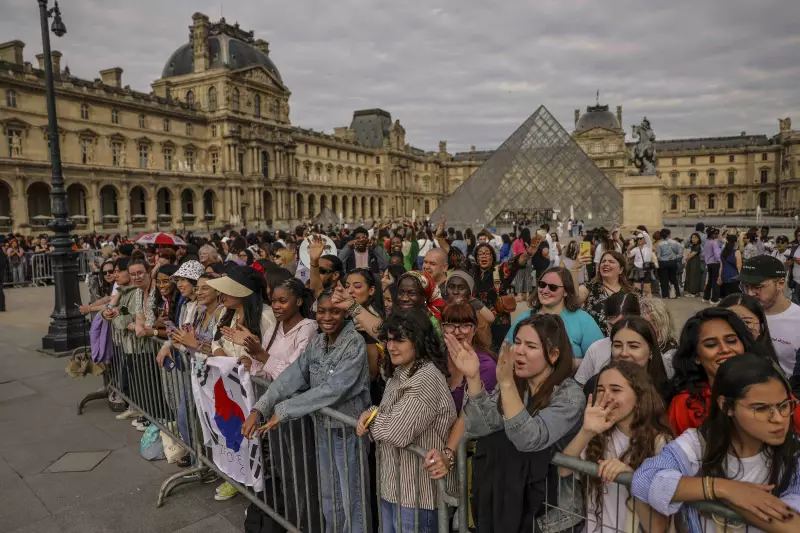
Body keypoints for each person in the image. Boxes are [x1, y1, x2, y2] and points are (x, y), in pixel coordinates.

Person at [243, 289, 371, 533]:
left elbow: (334, 389)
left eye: (335, 311)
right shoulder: (318, 342)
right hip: (323, 428)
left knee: (352, 500)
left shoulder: (354, 343)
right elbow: (292, 376)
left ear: (345, 313)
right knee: (330, 498)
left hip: (347, 433)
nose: (328, 317)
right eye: (322, 311)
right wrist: (260, 408)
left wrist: (285, 409)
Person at [633, 354, 800, 533]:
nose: (778, 419)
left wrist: (725, 499)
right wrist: (723, 489)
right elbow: (645, 479)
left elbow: (793, 525)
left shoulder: (794, 452)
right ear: (726, 406)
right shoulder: (699, 443)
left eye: (784, 405)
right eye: (760, 408)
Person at [454, 314, 585, 532]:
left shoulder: (569, 396)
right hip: (513, 506)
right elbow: (481, 427)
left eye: (531, 346)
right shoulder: (516, 383)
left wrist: (505, 383)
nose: (519, 351)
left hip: (552, 517)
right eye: (518, 342)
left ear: (553, 355)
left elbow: (529, 439)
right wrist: (474, 378)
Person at [356, 309, 456, 533]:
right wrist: (373, 412)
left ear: (418, 341)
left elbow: (397, 431)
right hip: (394, 488)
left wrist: (372, 419)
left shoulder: (426, 378)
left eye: (400, 340)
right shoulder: (402, 371)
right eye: (389, 339)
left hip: (419, 497)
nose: (391, 346)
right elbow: (388, 412)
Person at [560, 361, 672, 533]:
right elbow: (563, 470)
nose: (607, 397)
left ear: (639, 396)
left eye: (616, 390)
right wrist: (586, 431)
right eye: (601, 390)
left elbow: (657, 528)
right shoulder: (598, 434)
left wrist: (632, 479)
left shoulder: (660, 443)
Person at [667, 308, 780, 436]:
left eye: (731, 341)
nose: (725, 349)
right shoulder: (684, 405)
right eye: (711, 344)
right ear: (695, 357)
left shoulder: (773, 387)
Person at [424, 302, 497, 485]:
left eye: (465, 325)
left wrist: (448, 453)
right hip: (435, 449)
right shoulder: (436, 358)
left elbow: (468, 413)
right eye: (450, 324)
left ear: (474, 329)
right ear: (442, 328)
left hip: (470, 455)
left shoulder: (485, 366)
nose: (457, 332)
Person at [508, 266, 604, 367]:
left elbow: (599, 359)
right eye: (542, 284)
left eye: (553, 287)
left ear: (566, 292)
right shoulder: (524, 318)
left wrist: (564, 363)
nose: (545, 290)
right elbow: (505, 353)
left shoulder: (583, 320)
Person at [737, 255, 800, 378]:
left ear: (780, 284)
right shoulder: (738, 313)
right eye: (745, 287)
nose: (750, 294)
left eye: (757, 287)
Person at [575, 292, 641, 385]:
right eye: (611, 325)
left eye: (622, 325)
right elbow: (580, 385)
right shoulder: (596, 349)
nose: (615, 331)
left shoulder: (647, 347)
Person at [578, 250, 637, 333]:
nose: (606, 264)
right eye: (603, 261)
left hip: (623, 339)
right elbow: (573, 299)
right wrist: (574, 269)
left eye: (611, 261)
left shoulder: (631, 292)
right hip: (594, 340)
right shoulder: (590, 287)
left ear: (621, 269)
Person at [444, 269, 495, 350]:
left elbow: (491, 318)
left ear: (469, 292)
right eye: (451, 287)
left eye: (461, 288)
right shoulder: (442, 308)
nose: (455, 292)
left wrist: (474, 302)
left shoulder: (476, 314)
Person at [719, 293, 779, 360]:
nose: (737, 328)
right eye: (729, 321)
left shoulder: (769, 365)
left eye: (747, 322)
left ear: (761, 325)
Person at [655, 228, 682, 299]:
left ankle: (665, 295)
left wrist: (663, 259)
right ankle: (677, 294)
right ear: (669, 235)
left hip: (663, 263)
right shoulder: (675, 243)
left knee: (664, 280)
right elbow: (680, 254)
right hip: (673, 262)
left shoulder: (659, 244)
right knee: (674, 278)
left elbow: (658, 256)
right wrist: (674, 257)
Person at [628, 230, 655, 296]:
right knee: (636, 290)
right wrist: (629, 248)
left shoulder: (648, 246)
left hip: (646, 269)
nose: (639, 240)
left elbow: (647, 237)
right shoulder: (635, 249)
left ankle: (649, 305)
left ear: (644, 239)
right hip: (637, 269)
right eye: (638, 239)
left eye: (640, 238)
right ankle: (637, 305)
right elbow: (629, 255)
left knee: (647, 290)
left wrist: (640, 231)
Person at [702, 228, 723, 304]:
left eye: (717, 233)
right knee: (716, 281)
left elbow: (704, 253)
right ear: (711, 234)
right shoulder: (714, 243)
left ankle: (706, 297)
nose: (717, 235)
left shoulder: (707, 242)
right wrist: (720, 261)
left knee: (710, 280)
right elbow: (717, 254)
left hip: (708, 263)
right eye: (715, 233)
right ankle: (714, 299)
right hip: (715, 263)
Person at [719, 234, 742, 298]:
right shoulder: (737, 252)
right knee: (734, 298)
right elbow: (739, 266)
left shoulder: (722, 252)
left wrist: (719, 277)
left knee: (724, 298)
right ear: (735, 242)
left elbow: (721, 266)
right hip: (734, 277)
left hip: (724, 277)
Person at [683, 232, 704, 297]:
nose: (693, 239)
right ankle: (691, 292)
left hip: (695, 263)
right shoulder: (692, 246)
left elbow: (690, 256)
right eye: (692, 237)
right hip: (691, 262)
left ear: (698, 239)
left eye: (695, 237)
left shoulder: (698, 246)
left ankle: (693, 292)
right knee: (690, 276)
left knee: (693, 277)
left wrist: (686, 258)